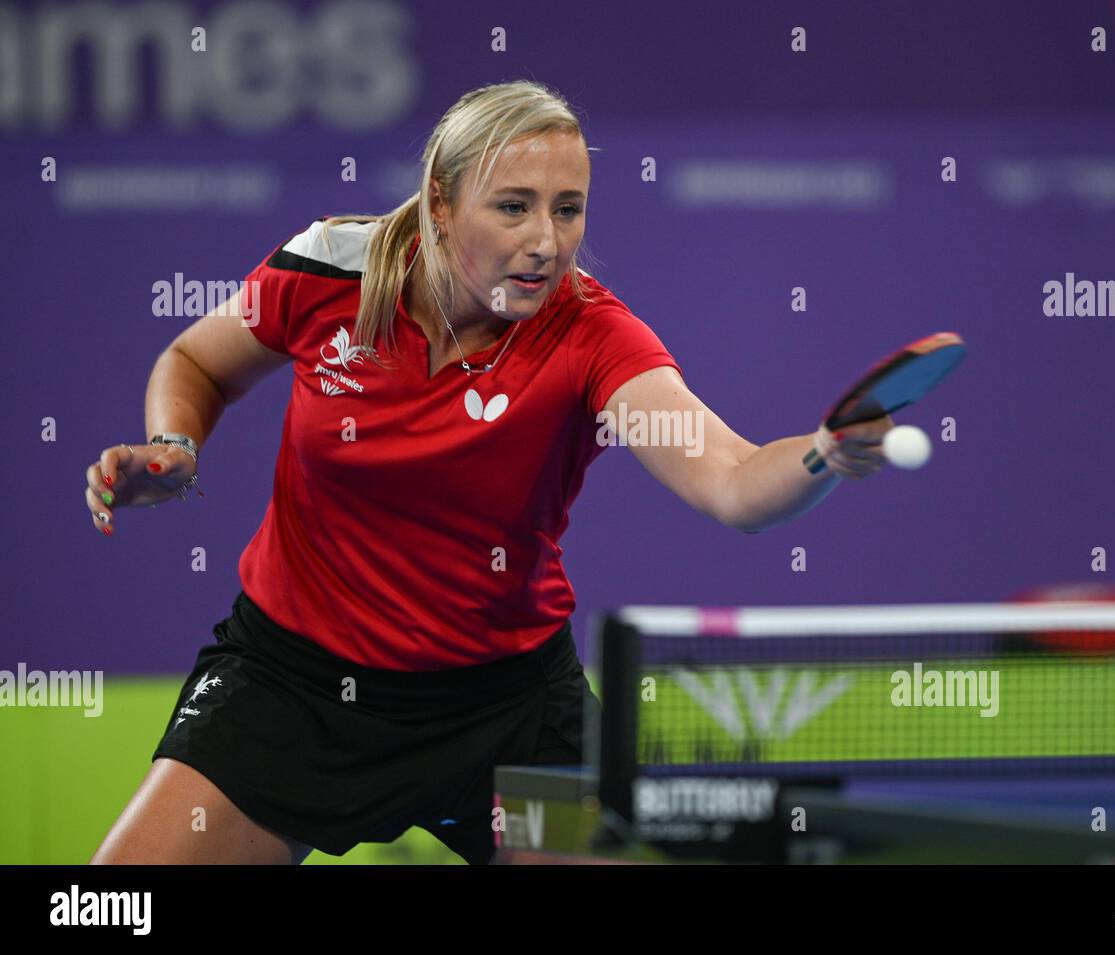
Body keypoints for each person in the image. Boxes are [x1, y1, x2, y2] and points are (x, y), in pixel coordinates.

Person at [86, 80, 888, 865]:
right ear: (441, 202)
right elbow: (196, 359)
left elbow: (737, 480)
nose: (546, 238)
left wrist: (823, 452)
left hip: (504, 709)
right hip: (293, 685)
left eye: (567, 208)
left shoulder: (592, 337)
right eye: (514, 205)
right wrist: (176, 449)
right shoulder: (331, 268)